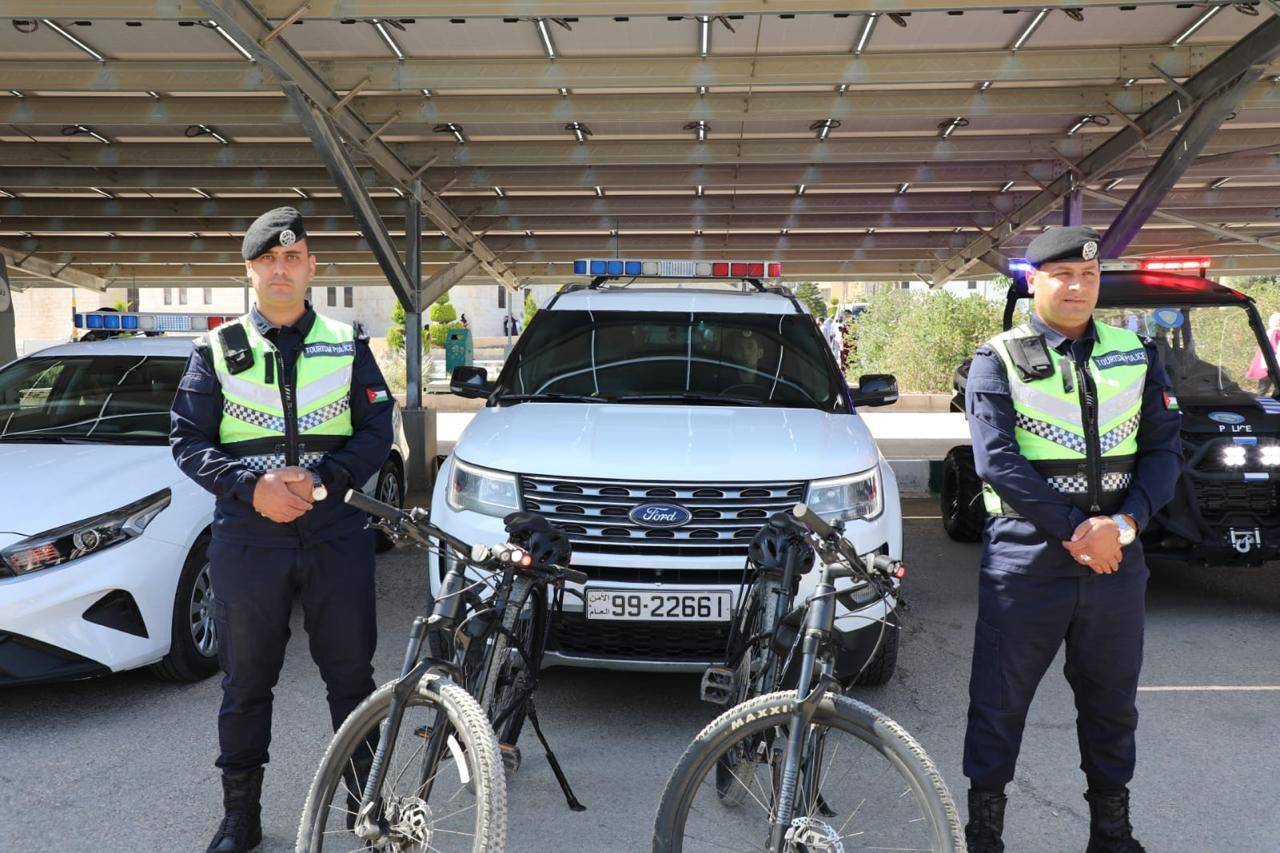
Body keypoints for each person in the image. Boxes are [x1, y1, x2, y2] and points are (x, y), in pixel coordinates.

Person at [170, 207, 395, 853]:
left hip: (336, 533)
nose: (280, 268)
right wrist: (254, 488)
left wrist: (321, 481)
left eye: (292, 257)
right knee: (245, 683)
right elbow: (188, 441)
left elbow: (376, 431)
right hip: (249, 538)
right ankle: (240, 817)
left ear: (311, 267)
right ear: (249, 270)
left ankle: (366, 809)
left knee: (351, 678)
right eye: (268, 259)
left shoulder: (347, 343)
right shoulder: (215, 349)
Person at [961, 225, 1181, 853]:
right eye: (1063, 275)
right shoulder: (998, 357)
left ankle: (1112, 836)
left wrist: (1124, 526)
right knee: (999, 703)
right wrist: (1075, 531)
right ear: (1035, 281)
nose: (1078, 287)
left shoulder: (1136, 352)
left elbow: (1164, 451)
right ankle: (984, 837)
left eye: (1089, 275)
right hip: (1027, 558)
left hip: (1116, 557)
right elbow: (998, 461)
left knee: (1112, 705)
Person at [1246, 311, 1280, 396]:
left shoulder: (1271, 332)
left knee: (1265, 387)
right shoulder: (1274, 333)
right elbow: (1272, 349)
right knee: (1265, 387)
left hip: (1270, 364)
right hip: (1271, 365)